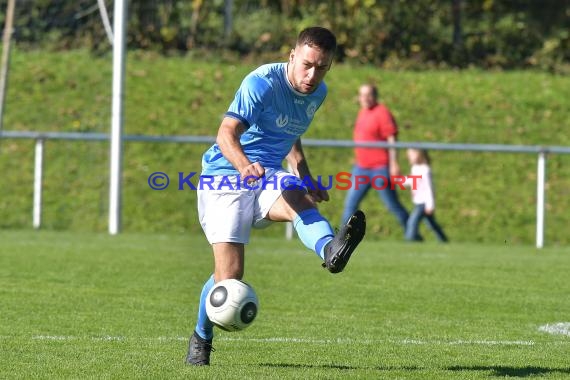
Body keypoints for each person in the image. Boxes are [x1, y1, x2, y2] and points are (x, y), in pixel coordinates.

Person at [186, 26, 366, 366]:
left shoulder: (317, 92)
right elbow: (226, 133)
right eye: (307, 65)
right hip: (225, 177)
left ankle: (330, 249)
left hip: (267, 173)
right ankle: (201, 336)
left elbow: (290, 131)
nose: (313, 75)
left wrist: (304, 173)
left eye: (322, 67)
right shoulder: (261, 84)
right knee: (229, 276)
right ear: (292, 56)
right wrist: (243, 166)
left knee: (297, 195)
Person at [340, 84, 410, 234]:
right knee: (350, 205)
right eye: (362, 95)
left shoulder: (382, 112)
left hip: (380, 168)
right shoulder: (362, 112)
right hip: (361, 168)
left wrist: (394, 163)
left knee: (392, 205)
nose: (364, 98)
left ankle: (412, 232)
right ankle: (340, 239)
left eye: (368, 94)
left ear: (375, 96)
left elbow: (392, 138)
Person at [403, 148, 448, 242]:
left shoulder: (425, 170)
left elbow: (429, 189)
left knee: (412, 222)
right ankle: (443, 239)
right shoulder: (415, 168)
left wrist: (430, 205)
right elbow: (412, 181)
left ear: (420, 155)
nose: (409, 157)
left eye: (412, 155)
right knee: (431, 224)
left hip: (423, 203)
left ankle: (409, 239)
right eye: (409, 155)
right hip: (417, 202)